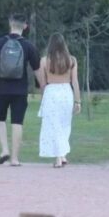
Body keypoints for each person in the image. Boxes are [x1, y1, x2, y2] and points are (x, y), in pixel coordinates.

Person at [0, 13, 44, 166]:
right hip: (20, 90)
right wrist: (44, 88)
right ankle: (15, 158)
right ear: (25, 26)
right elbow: (37, 69)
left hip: (1, 89)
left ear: (10, 24)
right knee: (17, 122)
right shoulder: (28, 46)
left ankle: (5, 150)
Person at [38, 33, 81, 168]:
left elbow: (43, 84)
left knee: (53, 125)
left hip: (51, 92)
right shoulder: (72, 60)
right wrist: (77, 101)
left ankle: (58, 157)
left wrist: (43, 98)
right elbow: (75, 82)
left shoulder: (44, 61)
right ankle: (62, 155)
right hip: (66, 93)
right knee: (64, 125)